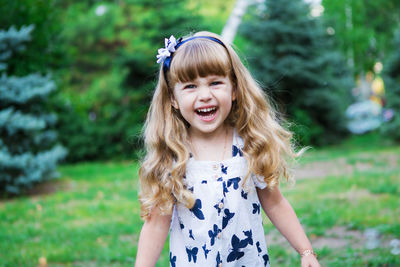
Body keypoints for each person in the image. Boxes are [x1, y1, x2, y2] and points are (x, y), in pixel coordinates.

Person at [135, 31, 321, 267]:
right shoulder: (173, 156)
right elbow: (156, 223)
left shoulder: (250, 145)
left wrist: (306, 251)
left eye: (215, 83)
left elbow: (275, 203)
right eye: (191, 86)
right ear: (173, 99)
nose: (205, 95)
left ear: (233, 89)